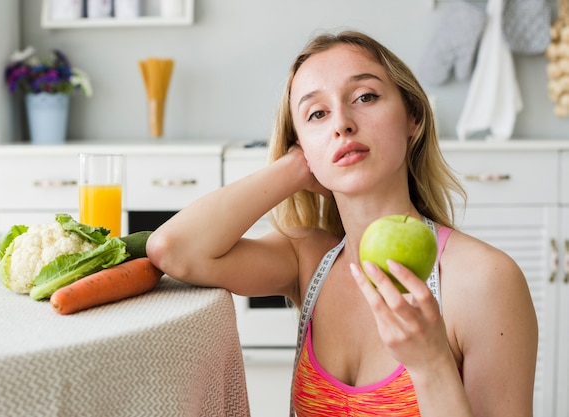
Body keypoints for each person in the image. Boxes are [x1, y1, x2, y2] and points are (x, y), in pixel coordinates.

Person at [146, 30, 538, 417]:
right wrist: (297, 166)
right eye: (317, 114)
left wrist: (431, 364)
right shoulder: (307, 259)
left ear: (413, 118)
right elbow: (173, 250)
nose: (342, 124)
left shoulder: (484, 280)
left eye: (365, 97)